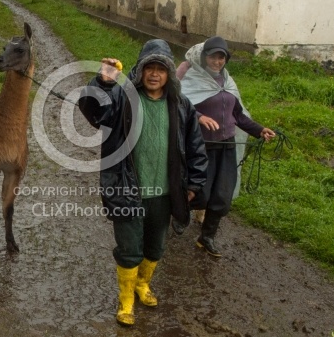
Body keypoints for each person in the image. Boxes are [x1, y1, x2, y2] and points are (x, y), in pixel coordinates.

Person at [79, 39, 208, 326]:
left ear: (169, 75)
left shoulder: (182, 106)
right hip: (127, 189)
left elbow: (196, 147)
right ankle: (125, 300)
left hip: (164, 192)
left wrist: (193, 185)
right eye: (148, 68)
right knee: (129, 248)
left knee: (155, 248)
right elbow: (93, 111)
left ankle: (142, 285)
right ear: (139, 71)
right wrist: (102, 83)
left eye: (160, 69)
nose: (154, 74)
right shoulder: (123, 99)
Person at [176, 36, 276, 258]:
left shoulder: (228, 83)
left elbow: (238, 115)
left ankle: (207, 237)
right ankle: (179, 214)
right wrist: (199, 117)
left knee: (222, 194)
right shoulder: (190, 80)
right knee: (199, 191)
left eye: (222, 57)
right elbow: (178, 106)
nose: (217, 61)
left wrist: (259, 130)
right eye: (213, 56)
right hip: (200, 146)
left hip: (226, 146)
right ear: (204, 57)